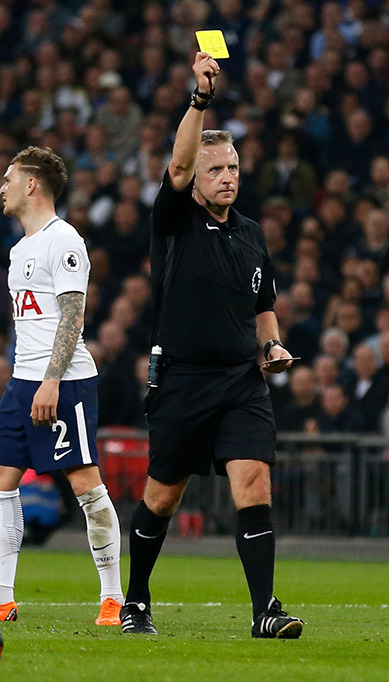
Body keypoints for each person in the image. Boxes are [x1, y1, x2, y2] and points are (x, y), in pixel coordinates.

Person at [120, 53, 303, 639]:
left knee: (254, 480)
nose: (227, 176)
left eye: (233, 166)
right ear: (194, 178)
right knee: (163, 495)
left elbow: (263, 305)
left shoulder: (251, 235)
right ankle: (136, 599)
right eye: (216, 167)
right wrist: (199, 99)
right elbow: (175, 163)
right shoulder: (172, 219)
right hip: (180, 378)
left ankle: (264, 612)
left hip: (239, 380)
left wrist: (272, 346)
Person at [0, 146, 124, 626]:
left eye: (9, 177)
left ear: (32, 184)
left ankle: (112, 597)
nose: (3, 185)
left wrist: (51, 381)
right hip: (21, 380)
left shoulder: (64, 240)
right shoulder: (18, 250)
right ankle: (4, 598)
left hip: (63, 381)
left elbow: (73, 316)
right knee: (3, 485)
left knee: (84, 484)